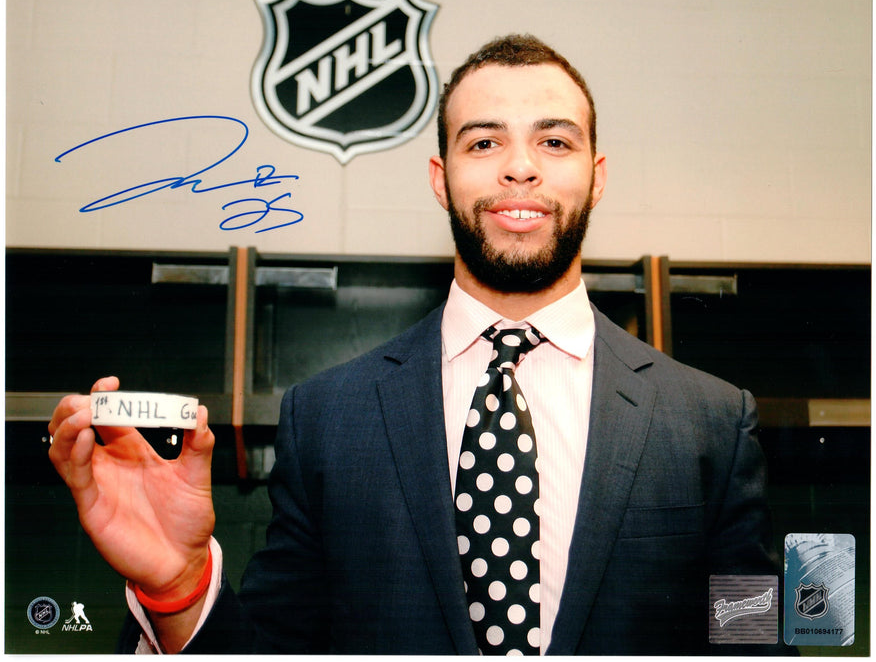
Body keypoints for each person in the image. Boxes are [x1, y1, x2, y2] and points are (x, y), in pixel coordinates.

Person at [48, 34, 785, 655]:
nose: (519, 166)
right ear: (441, 178)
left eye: (554, 140)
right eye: (484, 140)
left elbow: (753, 646)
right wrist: (177, 588)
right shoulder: (329, 420)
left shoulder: (712, 423)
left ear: (595, 179)